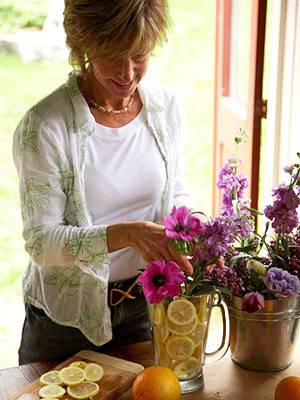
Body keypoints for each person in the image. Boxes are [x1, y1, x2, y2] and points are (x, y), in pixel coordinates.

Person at [13, 0, 193, 365]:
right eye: (113, 55)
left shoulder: (164, 107)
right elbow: (40, 243)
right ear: (83, 46)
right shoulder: (45, 126)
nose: (128, 72)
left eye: (139, 55)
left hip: (145, 306)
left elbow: (175, 190)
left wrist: (194, 231)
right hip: (64, 324)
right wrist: (126, 234)